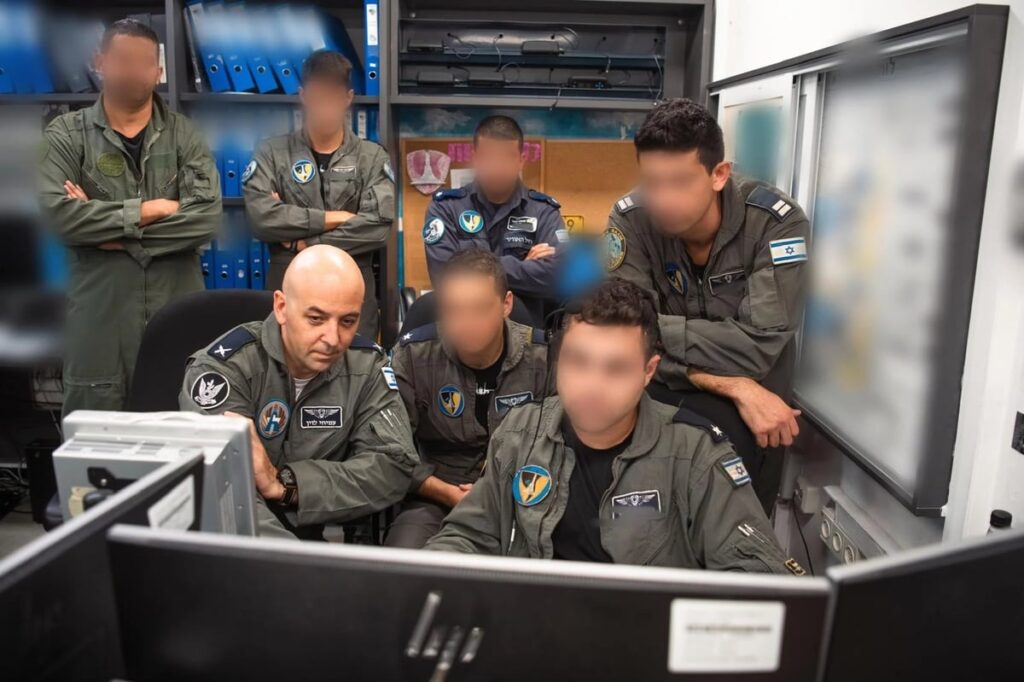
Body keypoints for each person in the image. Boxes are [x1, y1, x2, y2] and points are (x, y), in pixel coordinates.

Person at [425, 279, 802, 574]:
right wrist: (431, 577)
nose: (592, 386)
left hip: (644, 637)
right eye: (578, 361)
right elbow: (466, 535)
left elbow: (757, 571)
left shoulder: (697, 455)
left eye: (616, 368)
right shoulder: (519, 433)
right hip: (540, 631)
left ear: (648, 371)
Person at [605, 98, 810, 511]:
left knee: (738, 531)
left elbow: (758, 347)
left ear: (719, 174)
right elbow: (623, 338)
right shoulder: (631, 220)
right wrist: (732, 384)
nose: (663, 199)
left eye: (680, 182)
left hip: (755, 420)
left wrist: (656, 332)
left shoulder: (775, 223)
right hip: (658, 407)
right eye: (652, 182)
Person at [39, 19, 221, 416]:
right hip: (99, 321)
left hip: (176, 312)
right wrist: (148, 210)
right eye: (123, 59)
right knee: (95, 433)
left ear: (158, 72)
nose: (134, 70)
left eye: (144, 61)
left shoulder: (186, 136)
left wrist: (110, 233)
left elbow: (206, 218)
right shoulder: (66, 135)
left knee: (181, 426)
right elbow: (57, 217)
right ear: (99, 61)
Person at [178, 245, 418, 540]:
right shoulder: (224, 369)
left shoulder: (366, 366)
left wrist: (288, 486)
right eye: (316, 319)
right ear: (281, 307)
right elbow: (223, 489)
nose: (332, 339)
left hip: (314, 535)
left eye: (347, 321)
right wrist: (294, 560)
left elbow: (394, 466)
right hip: (235, 544)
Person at [386, 250, 550, 549]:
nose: (466, 323)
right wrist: (444, 492)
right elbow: (390, 450)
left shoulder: (543, 359)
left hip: (522, 493)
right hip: (437, 493)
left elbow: (558, 446)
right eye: (454, 310)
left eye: (479, 309)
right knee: (404, 559)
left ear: (506, 304)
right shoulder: (413, 356)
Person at [244, 50, 393, 338]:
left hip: (353, 294)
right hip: (289, 294)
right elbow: (261, 218)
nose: (325, 108)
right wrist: (334, 218)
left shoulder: (372, 157)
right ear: (303, 95)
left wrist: (303, 243)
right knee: (283, 364)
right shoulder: (271, 153)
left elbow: (377, 228)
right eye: (317, 97)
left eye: (332, 98)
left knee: (357, 365)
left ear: (348, 98)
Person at [422, 115, 567, 325]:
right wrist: (521, 267)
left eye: (506, 157)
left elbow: (557, 276)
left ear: (521, 161)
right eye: (489, 157)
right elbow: (444, 275)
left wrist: (471, 266)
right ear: (475, 158)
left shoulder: (544, 211)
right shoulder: (446, 208)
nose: (497, 167)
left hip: (526, 333)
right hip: (463, 328)